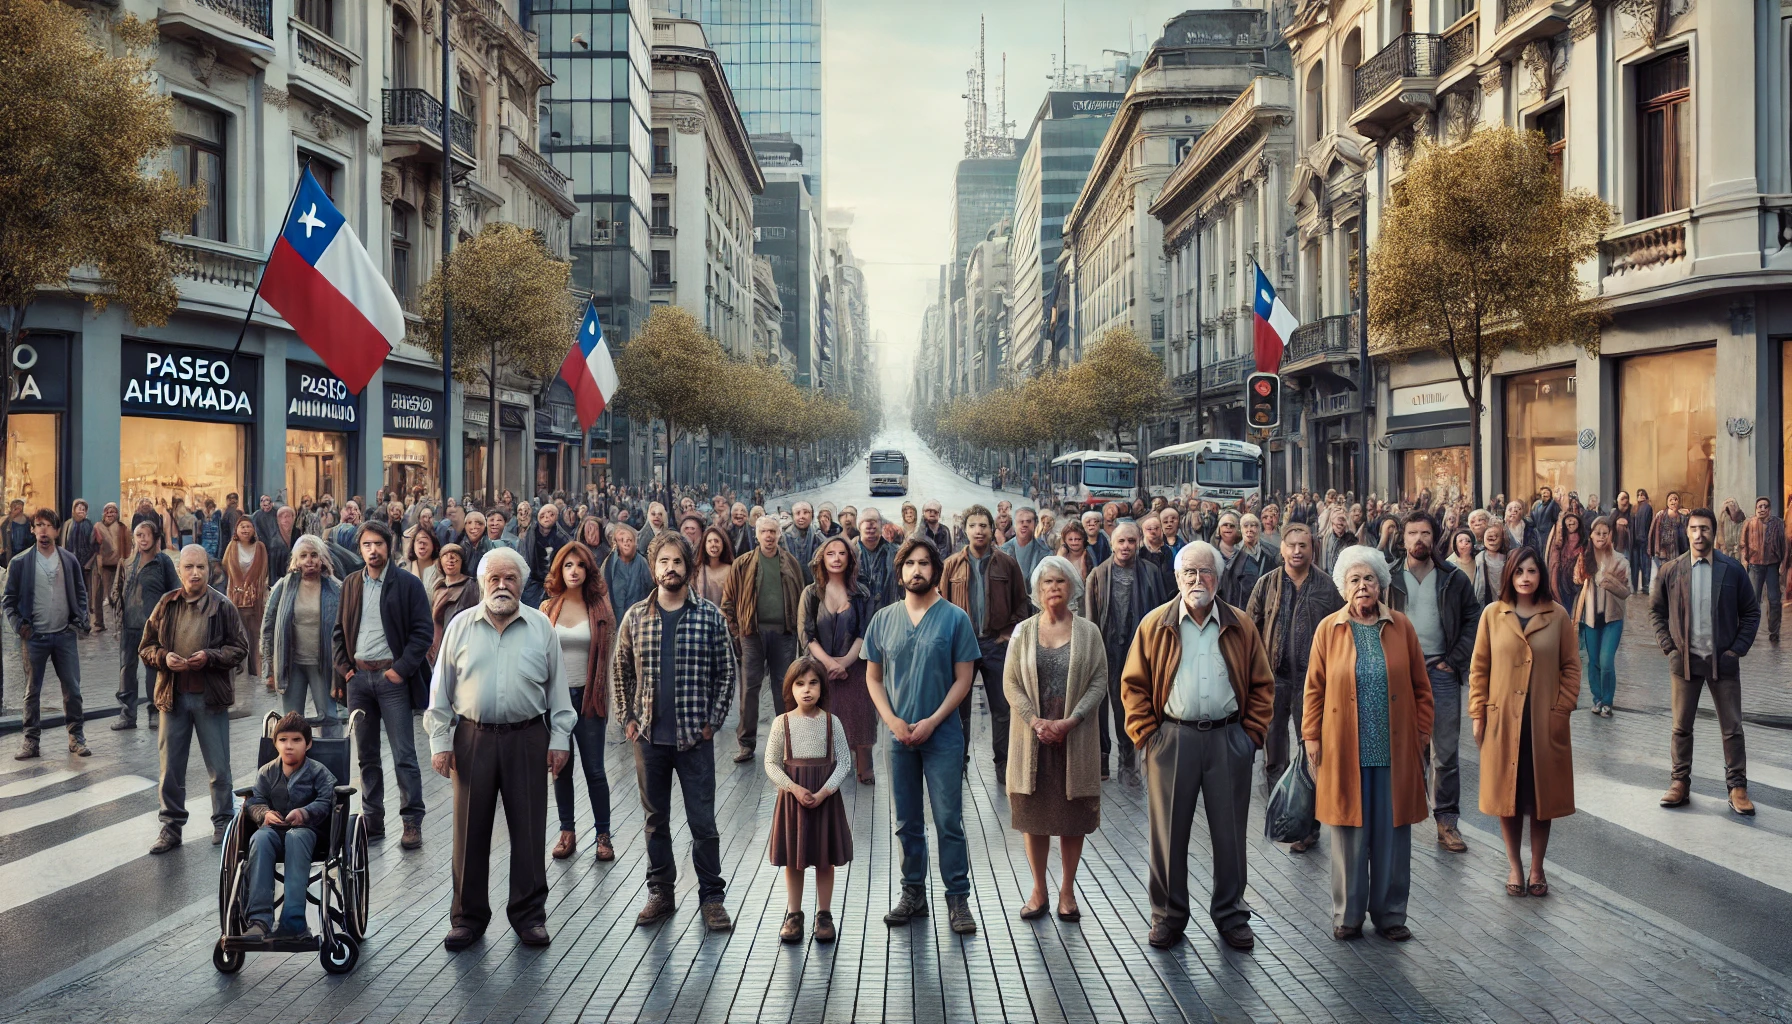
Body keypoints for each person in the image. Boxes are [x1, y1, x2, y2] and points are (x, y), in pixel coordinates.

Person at [1119, 540, 1273, 951]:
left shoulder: (1240, 624)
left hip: (1228, 740)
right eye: (1188, 572)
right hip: (1172, 738)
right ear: (1176, 577)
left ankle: (1231, 914)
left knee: (1230, 834)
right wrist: (1148, 736)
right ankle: (1168, 916)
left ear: (1218, 579)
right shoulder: (1155, 624)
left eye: (1205, 572)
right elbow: (1132, 685)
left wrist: (1251, 735)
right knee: (1167, 835)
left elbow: (1262, 683)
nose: (1196, 579)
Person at [426, 546, 576, 951]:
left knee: (528, 830)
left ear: (522, 583)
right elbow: (440, 690)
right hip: (472, 738)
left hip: (528, 738)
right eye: (494, 578)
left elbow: (559, 692)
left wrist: (560, 739)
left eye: (510, 578)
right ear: (481, 583)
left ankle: (529, 916)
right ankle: (467, 918)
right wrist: (440, 742)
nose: (502, 585)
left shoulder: (541, 626)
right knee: (469, 831)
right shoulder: (460, 626)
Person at [1303, 546, 1434, 940]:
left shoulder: (1401, 627)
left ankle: (1391, 915)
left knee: (1393, 835)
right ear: (1344, 588)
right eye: (1355, 580)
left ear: (1381, 585)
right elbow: (1314, 689)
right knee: (1348, 837)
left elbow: (1421, 689)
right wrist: (1311, 736)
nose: (1363, 587)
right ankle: (1348, 916)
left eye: (1370, 579)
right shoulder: (1330, 629)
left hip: (1394, 751)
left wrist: (1421, 735)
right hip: (1346, 750)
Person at [614, 533, 736, 932]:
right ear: (654, 569)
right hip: (650, 739)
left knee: (703, 822)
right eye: (663, 562)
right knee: (655, 820)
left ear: (689, 567)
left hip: (693, 740)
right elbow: (622, 672)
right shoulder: (635, 617)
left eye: (678, 562)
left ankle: (712, 898)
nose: (671, 569)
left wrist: (712, 723)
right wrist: (628, 720)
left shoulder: (710, 616)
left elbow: (726, 674)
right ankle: (660, 894)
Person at [866, 536, 981, 936]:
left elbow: (964, 678)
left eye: (924, 563)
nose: (917, 570)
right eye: (910, 564)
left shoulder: (954, 619)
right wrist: (892, 722)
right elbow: (873, 678)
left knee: (949, 820)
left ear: (936, 571)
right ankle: (913, 893)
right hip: (897, 738)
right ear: (900, 573)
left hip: (943, 735)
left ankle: (957, 899)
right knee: (907, 820)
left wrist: (932, 721)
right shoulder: (883, 619)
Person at [1468, 546, 1579, 898]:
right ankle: (1515, 865)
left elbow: (1572, 668)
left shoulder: (1557, 615)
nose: (1526, 578)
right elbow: (1479, 668)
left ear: (1541, 575)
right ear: (1509, 576)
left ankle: (1537, 867)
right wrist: (1477, 712)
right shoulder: (1493, 614)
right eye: (1519, 572)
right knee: (1508, 797)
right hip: (1503, 721)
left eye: (1532, 571)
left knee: (1540, 800)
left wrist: (1562, 709)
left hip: (1543, 722)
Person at [1005, 555, 1106, 921]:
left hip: (1072, 740)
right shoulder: (1023, 631)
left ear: (1072, 588)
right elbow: (1010, 682)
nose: (1053, 588)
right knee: (1033, 816)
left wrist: (1071, 721)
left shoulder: (1088, 632)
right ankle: (1038, 890)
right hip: (1032, 739)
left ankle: (1067, 891)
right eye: (1047, 583)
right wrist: (1035, 722)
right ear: (1037, 589)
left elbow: (1098, 681)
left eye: (1060, 582)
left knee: (1070, 817)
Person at [1650, 507, 1760, 815]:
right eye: (1695, 529)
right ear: (1687, 532)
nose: (1700, 535)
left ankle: (1737, 787)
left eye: (1706, 529)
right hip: (1684, 662)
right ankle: (1679, 783)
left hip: (1722, 662)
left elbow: (1751, 612)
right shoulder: (1671, 570)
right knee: (1681, 727)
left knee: (1732, 728)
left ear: (1714, 532)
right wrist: (1669, 648)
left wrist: (1736, 649)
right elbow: (1656, 611)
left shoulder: (1732, 569)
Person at [333, 520, 434, 850]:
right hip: (358, 681)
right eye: (366, 545)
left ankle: (412, 822)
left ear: (388, 547)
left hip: (392, 679)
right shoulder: (350, 584)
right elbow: (338, 632)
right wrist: (346, 669)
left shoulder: (406, 584)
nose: (372, 550)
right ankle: (373, 820)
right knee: (366, 756)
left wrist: (401, 670)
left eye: (378, 544)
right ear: (359, 549)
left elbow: (422, 632)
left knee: (404, 753)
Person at [1385, 511, 1481, 855]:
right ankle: (1399, 818)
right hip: (1399, 672)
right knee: (1400, 749)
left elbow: (1473, 618)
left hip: (1440, 671)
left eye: (1425, 533)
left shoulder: (1452, 578)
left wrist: (1454, 660)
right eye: (1412, 533)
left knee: (1446, 752)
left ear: (1434, 537)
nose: (1418, 539)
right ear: (1404, 538)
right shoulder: (1388, 576)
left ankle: (1447, 822)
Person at [1245, 522, 1344, 853]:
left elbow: (1339, 633)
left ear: (1312, 549)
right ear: (1283, 549)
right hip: (1275, 679)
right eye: (1292, 545)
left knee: (1310, 751)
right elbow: (1250, 626)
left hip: (1312, 682)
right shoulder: (1267, 584)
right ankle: (1282, 814)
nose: (1297, 551)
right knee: (1275, 752)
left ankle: (1308, 826)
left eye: (1304, 545)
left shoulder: (1328, 587)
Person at [143, 545, 248, 852]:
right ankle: (171, 828)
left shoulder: (222, 605)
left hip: (209, 698)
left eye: (200, 567)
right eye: (188, 567)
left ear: (209, 569)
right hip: (172, 696)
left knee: (219, 767)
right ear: (179, 571)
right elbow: (146, 647)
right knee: (171, 769)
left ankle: (223, 824)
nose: (195, 573)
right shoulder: (167, 603)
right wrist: (164, 658)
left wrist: (211, 657)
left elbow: (239, 648)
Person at [765, 657, 854, 944]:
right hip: (794, 801)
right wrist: (793, 788)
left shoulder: (832, 722)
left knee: (824, 859)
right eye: (800, 684)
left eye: (813, 683)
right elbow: (771, 763)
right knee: (795, 859)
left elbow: (844, 763)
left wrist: (824, 792)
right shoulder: (782, 723)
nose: (807, 690)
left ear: (822, 687)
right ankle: (794, 914)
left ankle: (824, 914)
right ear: (789, 688)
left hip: (824, 799)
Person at [939, 505, 1029, 783]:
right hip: (962, 648)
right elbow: (940, 605)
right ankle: (958, 762)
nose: (978, 530)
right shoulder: (951, 565)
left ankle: (1003, 763)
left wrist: (1005, 635)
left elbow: (1022, 605)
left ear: (992, 530)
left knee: (1002, 708)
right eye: (973, 525)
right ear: (964, 530)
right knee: (959, 707)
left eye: (984, 525)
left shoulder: (1007, 563)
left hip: (995, 644)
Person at [542, 541, 616, 864]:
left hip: (589, 697)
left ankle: (603, 835)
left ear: (588, 570)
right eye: (568, 565)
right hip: (556, 700)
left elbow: (610, 656)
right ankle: (567, 831)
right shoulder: (547, 608)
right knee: (561, 768)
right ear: (560, 570)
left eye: (580, 565)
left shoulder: (600, 608)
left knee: (595, 770)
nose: (574, 571)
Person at [1084, 521, 1169, 783]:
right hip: (1108, 647)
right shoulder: (1097, 575)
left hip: (1139, 647)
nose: (1126, 546)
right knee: (1102, 705)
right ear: (1112, 544)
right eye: (1121, 541)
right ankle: (1102, 761)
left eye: (1131, 541)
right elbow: (1090, 619)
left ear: (1139, 542)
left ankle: (1128, 762)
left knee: (1131, 705)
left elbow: (1161, 612)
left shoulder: (1151, 572)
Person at [241, 711, 337, 939]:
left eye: (296, 740)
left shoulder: (318, 772)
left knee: (296, 837)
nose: (289, 746)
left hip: (309, 834)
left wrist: (304, 812)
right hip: (274, 833)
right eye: (283, 740)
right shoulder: (267, 772)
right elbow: (255, 800)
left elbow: (327, 801)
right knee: (260, 838)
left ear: (308, 743)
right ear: (275, 744)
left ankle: (294, 923)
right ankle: (259, 920)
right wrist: (264, 814)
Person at [5, 508, 92, 758]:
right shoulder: (20, 562)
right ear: (32, 530)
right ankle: (31, 740)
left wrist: (81, 618)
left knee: (73, 689)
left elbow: (81, 591)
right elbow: (8, 600)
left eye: (48, 525)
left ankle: (76, 737)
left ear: (56, 530)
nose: (43, 530)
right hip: (35, 637)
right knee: (32, 691)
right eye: (38, 525)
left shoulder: (68, 559)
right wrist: (20, 626)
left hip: (64, 635)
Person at [724, 516, 806, 764]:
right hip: (753, 634)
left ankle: (787, 744)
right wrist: (738, 631)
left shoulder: (791, 563)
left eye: (773, 531)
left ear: (780, 534)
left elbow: (802, 598)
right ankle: (746, 744)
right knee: (749, 688)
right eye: (764, 532)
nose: (769, 536)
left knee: (785, 688)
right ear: (757, 535)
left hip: (784, 634)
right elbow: (728, 602)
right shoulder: (743, 564)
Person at [798, 536, 879, 784]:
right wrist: (830, 664)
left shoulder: (862, 594)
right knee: (824, 717)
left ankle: (864, 766)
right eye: (830, 553)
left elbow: (865, 632)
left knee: (861, 714)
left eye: (842, 553)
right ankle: (827, 763)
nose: (836, 558)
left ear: (850, 558)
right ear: (822, 558)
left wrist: (844, 663)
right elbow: (807, 635)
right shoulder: (810, 594)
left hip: (854, 665)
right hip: (820, 667)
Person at [262, 535, 344, 738]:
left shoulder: (336, 588)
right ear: (296, 560)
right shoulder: (283, 586)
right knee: (291, 720)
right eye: (304, 556)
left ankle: (332, 763)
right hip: (291, 664)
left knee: (330, 717)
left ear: (322, 558)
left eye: (314, 555)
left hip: (322, 664)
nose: (309, 560)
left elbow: (345, 630)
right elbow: (268, 628)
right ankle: (293, 764)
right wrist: (269, 667)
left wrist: (344, 669)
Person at [110, 520, 179, 730]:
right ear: (134, 538)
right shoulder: (126, 563)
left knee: (153, 671)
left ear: (155, 538)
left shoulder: (163, 562)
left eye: (147, 535)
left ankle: (155, 712)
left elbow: (175, 591)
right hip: (129, 627)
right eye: (139, 535)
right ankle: (127, 715)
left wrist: (167, 620)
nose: (143, 539)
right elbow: (116, 592)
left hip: (153, 629)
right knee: (126, 672)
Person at [1574, 517, 1631, 717]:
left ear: (1610, 535)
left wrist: (1606, 580)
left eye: (1605, 533)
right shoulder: (1584, 558)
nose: (1601, 536)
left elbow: (1626, 591)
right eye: (1597, 533)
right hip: (1590, 618)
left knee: (1606, 660)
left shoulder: (1620, 560)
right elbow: (1576, 580)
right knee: (1594, 661)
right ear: (1590, 535)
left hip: (1612, 619)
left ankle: (1608, 701)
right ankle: (1597, 699)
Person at [223, 516, 270, 688]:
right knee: (239, 636)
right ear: (236, 529)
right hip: (235, 599)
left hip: (255, 599)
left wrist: (258, 592)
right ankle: (241, 674)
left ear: (254, 530)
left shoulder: (260, 547)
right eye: (242, 526)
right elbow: (226, 570)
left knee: (256, 635)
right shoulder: (232, 547)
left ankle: (257, 672)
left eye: (248, 526)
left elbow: (265, 572)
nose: (245, 529)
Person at [1739, 496, 1786, 644]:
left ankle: (1774, 632)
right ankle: (1748, 631)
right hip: (1755, 565)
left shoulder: (1778, 523)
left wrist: (1784, 563)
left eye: (1765, 506)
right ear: (1756, 508)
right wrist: (1744, 560)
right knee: (1753, 600)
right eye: (1760, 506)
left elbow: (1785, 544)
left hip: (1773, 565)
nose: (1762, 509)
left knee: (1774, 599)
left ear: (1769, 509)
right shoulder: (1749, 523)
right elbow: (1743, 543)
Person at [429, 543, 481, 663]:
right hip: (437, 645)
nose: (451, 560)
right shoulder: (438, 587)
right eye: (446, 556)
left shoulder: (470, 586)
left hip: (460, 645)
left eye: (455, 556)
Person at [516, 503, 571, 608]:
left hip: (555, 586)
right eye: (544, 514)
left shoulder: (563, 539)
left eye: (551, 514)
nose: (547, 517)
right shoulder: (527, 536)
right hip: (531, 587)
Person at [60, 499, 103, 634]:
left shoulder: (89, 526)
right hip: (70, 563)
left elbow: (95, 546)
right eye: (78, 508)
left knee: (84, 594)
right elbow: (63, 543)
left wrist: (89, 563)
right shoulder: (68, 524)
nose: (81, 511)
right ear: (73, 510)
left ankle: (84, 620)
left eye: (83, 509)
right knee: (69, 592)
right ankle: (71, 619)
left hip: (85, 566)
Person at [1220, 514, 1280, 608]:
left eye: (1253, 525)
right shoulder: (1232, 556)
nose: (1249, 530)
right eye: (1246, 526)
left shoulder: (1271, 554)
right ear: (1241, 529)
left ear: (1259, 529)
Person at [853, 508, 898, 609]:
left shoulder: (896, 553)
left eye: (875, 521)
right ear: (859, 527)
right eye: (866, 521)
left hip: (888, 610)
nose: (870, 525)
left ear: (881, 527)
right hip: (858, 613)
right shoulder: (849, 553)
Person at [1545, 510, 1587, 617]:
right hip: (1563, 578)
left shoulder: (1584, 539)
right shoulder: (1561, 538)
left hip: (1577, 578)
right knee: (1565, 603)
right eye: (1568, 519)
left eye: (1573, 519)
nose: (1570, 521)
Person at [783, 501, 825, 584]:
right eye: (797, 513)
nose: (801, 516)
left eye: (806, 512)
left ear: (812, 515)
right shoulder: (784, 538)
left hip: (814, 584)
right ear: (792, 516)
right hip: (792, 584)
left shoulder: (818, 536)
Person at [693, 525, 733, 606]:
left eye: (716, 541)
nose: (713, 544)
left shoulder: (731, 570)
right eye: (709, 541)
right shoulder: (697, 570)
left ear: (723, 544)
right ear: (704, 545)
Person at [1474, 523, 1509, 605]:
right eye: (1490, 537)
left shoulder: (1507, 558)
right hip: (1486, 602)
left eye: (1496, 536)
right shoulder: (1479, 558)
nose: (1493, 541)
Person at [408, 526, 443, 608]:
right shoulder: (405, 570)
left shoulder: (442, 569)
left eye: (425, 540)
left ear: (433, 545)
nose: (422, 544)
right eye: (418, 541)